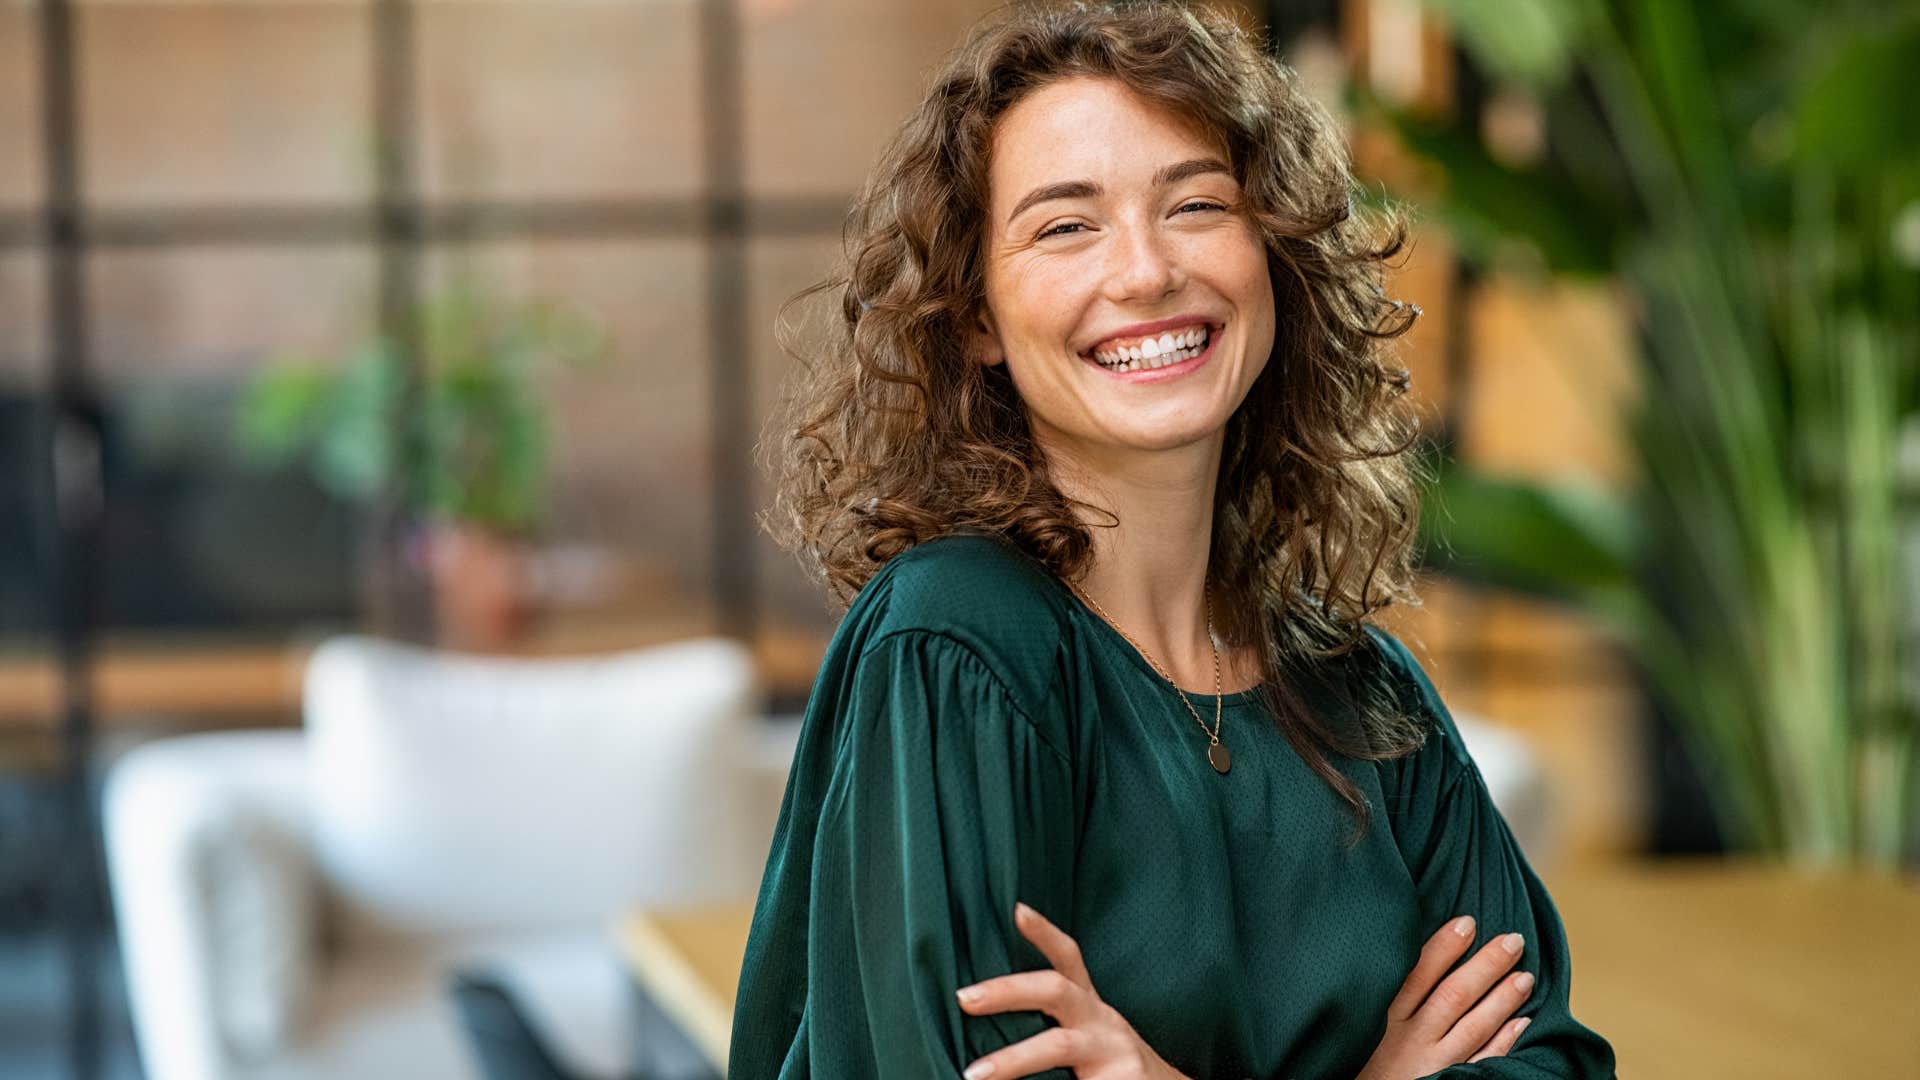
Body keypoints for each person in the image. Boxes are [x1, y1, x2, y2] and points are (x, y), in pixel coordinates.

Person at [730, 2, 1617, 1077]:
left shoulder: (1363, 693)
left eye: (1196, 204)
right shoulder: (956, 647)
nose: (1146, 272)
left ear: (1272, 255)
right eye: (1066, 224)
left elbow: (1553, 1062)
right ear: (974, 316)